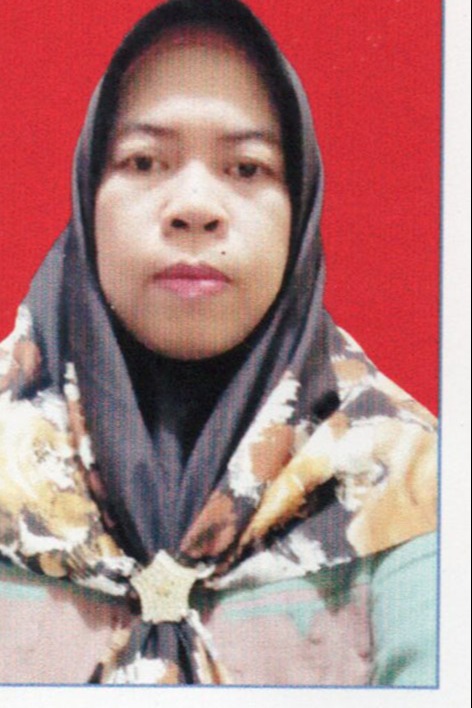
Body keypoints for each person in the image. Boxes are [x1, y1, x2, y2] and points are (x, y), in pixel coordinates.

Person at [0, 0, 437, 686]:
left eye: (247, 168)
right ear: (87, 196)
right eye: (144, 160)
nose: (195, 207)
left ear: (300, 208)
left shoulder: (416, 484)